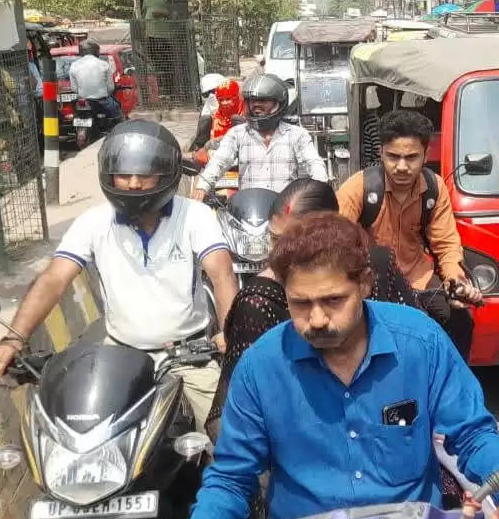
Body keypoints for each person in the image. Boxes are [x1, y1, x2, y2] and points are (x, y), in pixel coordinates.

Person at [166, 213, 499, 519]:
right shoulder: (260, 367)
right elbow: (233, 476)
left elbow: (471, 434)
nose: (316, 319)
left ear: (365, 284)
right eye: (300, 304)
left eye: (333, 300)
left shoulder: (422, 342)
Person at [0, 121, 238, 425]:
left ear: (167, 174)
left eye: (144, 175)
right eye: (124, 175)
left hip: (189, 359)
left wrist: (232, 335)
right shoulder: (93, 221)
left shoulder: (194, 215)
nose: (133, 184)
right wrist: (13, 340)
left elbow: (221, 273)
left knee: (226, 438)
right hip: (119, 360)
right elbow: (54, 278)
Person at [204, 178, 448, 439]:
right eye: (275, 240)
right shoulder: (258, 302)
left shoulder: (378, 268)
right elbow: (237, 418)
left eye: (334, 300)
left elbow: (426, 371)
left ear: (364, 285)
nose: (283, 254)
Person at [337, 110, 482, 358]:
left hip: (420, 277)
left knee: (461, 322)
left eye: (411, 157)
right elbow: (335, 246)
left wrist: (456, 282)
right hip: (373, 283)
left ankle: (448, 384)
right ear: (381, 152)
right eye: (393, 156)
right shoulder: (358, 187)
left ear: (426, 155)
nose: (402, 166)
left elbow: (446, 245)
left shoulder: (435, 187)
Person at [191, 72, 327, 196]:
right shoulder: (237, 134)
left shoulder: (297, 135)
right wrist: (202, 187)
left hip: (285, 213)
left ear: (278, 103)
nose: (256, 105)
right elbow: (219, 161)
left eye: (263, 100)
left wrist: (321, 188)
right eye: (252, 101)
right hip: (249, 212)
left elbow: (313, 163)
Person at [189, 75, 244, 164]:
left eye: (213, 91)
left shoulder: (245, 108)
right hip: (216, 151)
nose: (211, 96)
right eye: (207, 94)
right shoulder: (208, 113)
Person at [67, 40, 124, 124]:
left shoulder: (74, 65)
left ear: (81, 52)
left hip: (83, 102)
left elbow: (74, 89)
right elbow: (111, 88)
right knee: (118, 116)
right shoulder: (104, 64)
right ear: (96, 51)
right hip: (103, 101)